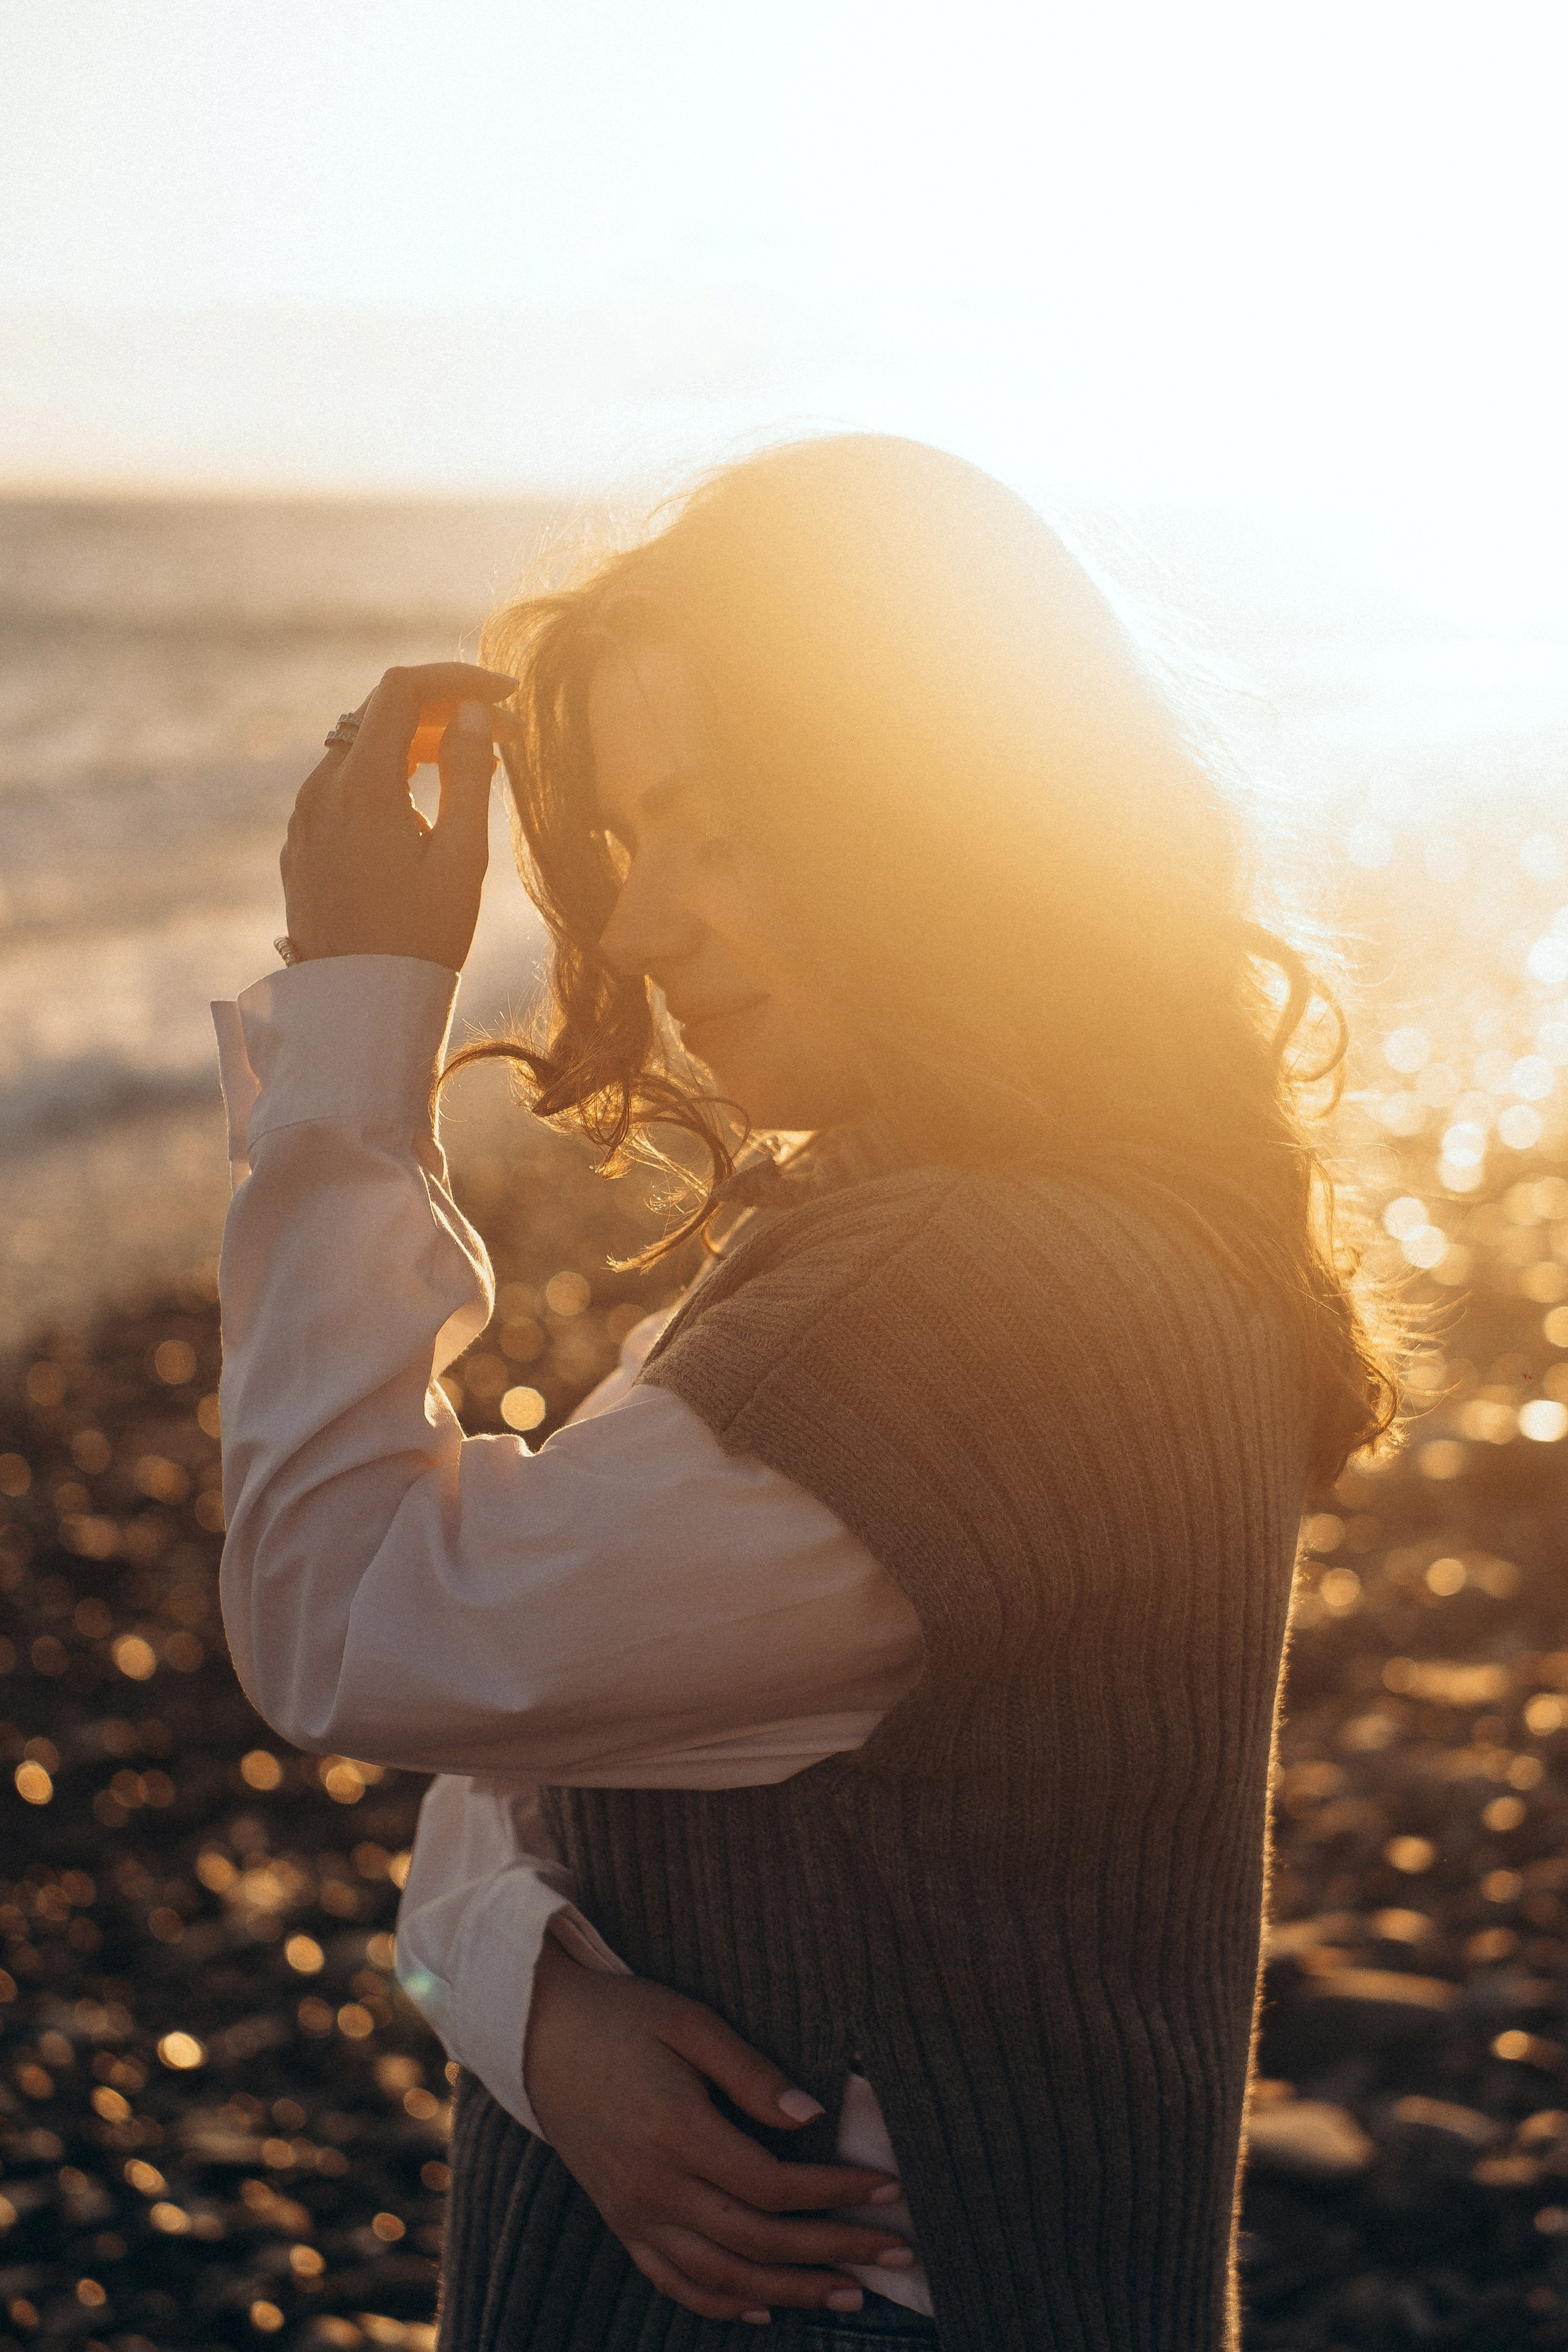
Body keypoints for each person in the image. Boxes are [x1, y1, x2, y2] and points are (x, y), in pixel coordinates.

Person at [214, 434, 1396, 2351]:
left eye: (722, 829)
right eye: (628, 842)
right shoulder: (960, 1224)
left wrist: (352, 1012)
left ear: (933, 811)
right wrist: (538, 2014)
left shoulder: (979, 1303)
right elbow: (504, 1766)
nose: (650, 920)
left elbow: (347, 1630)